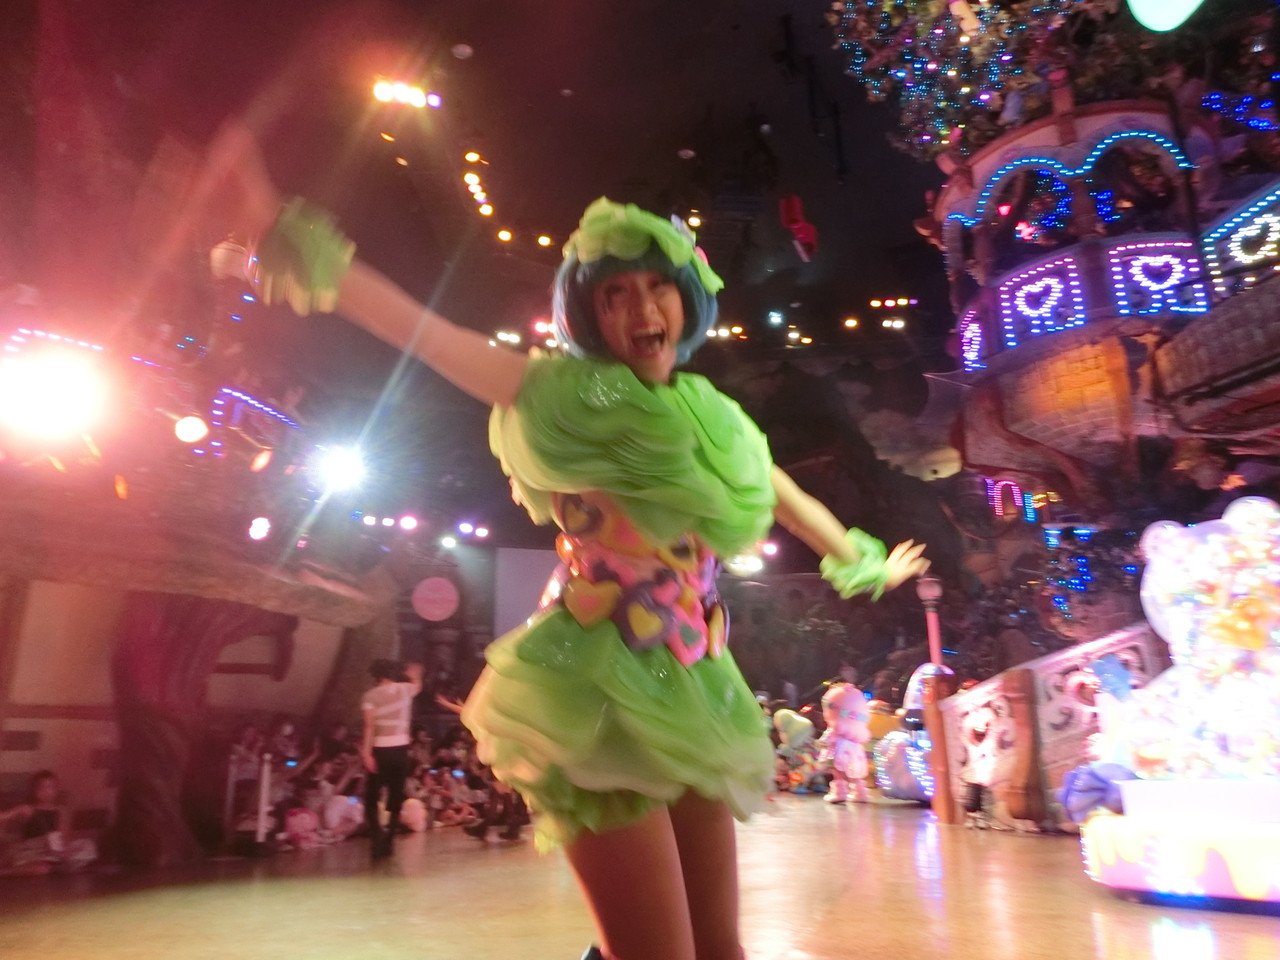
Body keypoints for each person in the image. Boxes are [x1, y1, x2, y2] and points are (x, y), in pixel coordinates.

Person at [207, 127, 928, 960]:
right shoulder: (559, 393)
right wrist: (284, 238)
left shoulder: (716, 418)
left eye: (657, 287)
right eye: (616, 294)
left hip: (695, 684)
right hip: (594, 690)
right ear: (591, 312)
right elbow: (423, 332)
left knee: (718, 949)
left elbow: (785, 496)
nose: (642, 310)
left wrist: (859, 559)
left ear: (685, 300)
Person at [359, 658, 424, 859]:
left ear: (375, 675)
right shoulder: (404, 689)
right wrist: (415, 675)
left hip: (380, 749)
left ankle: (377, 835)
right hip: (401, 749)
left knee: (372, 795)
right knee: (396, 793)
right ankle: (389, 839)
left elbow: (369, 726)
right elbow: (417, 686)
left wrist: (366, 753)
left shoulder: (369, 696)